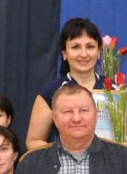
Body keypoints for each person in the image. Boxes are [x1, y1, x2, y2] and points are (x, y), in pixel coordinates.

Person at [27, 17, 107, 148]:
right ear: (64, 53)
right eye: (76, 47)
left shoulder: (114, 89)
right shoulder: (51, 91)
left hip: (108, 159)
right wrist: (66, 153)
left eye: (90, 47)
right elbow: (33, 141)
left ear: (98, 51)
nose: (84, 54)